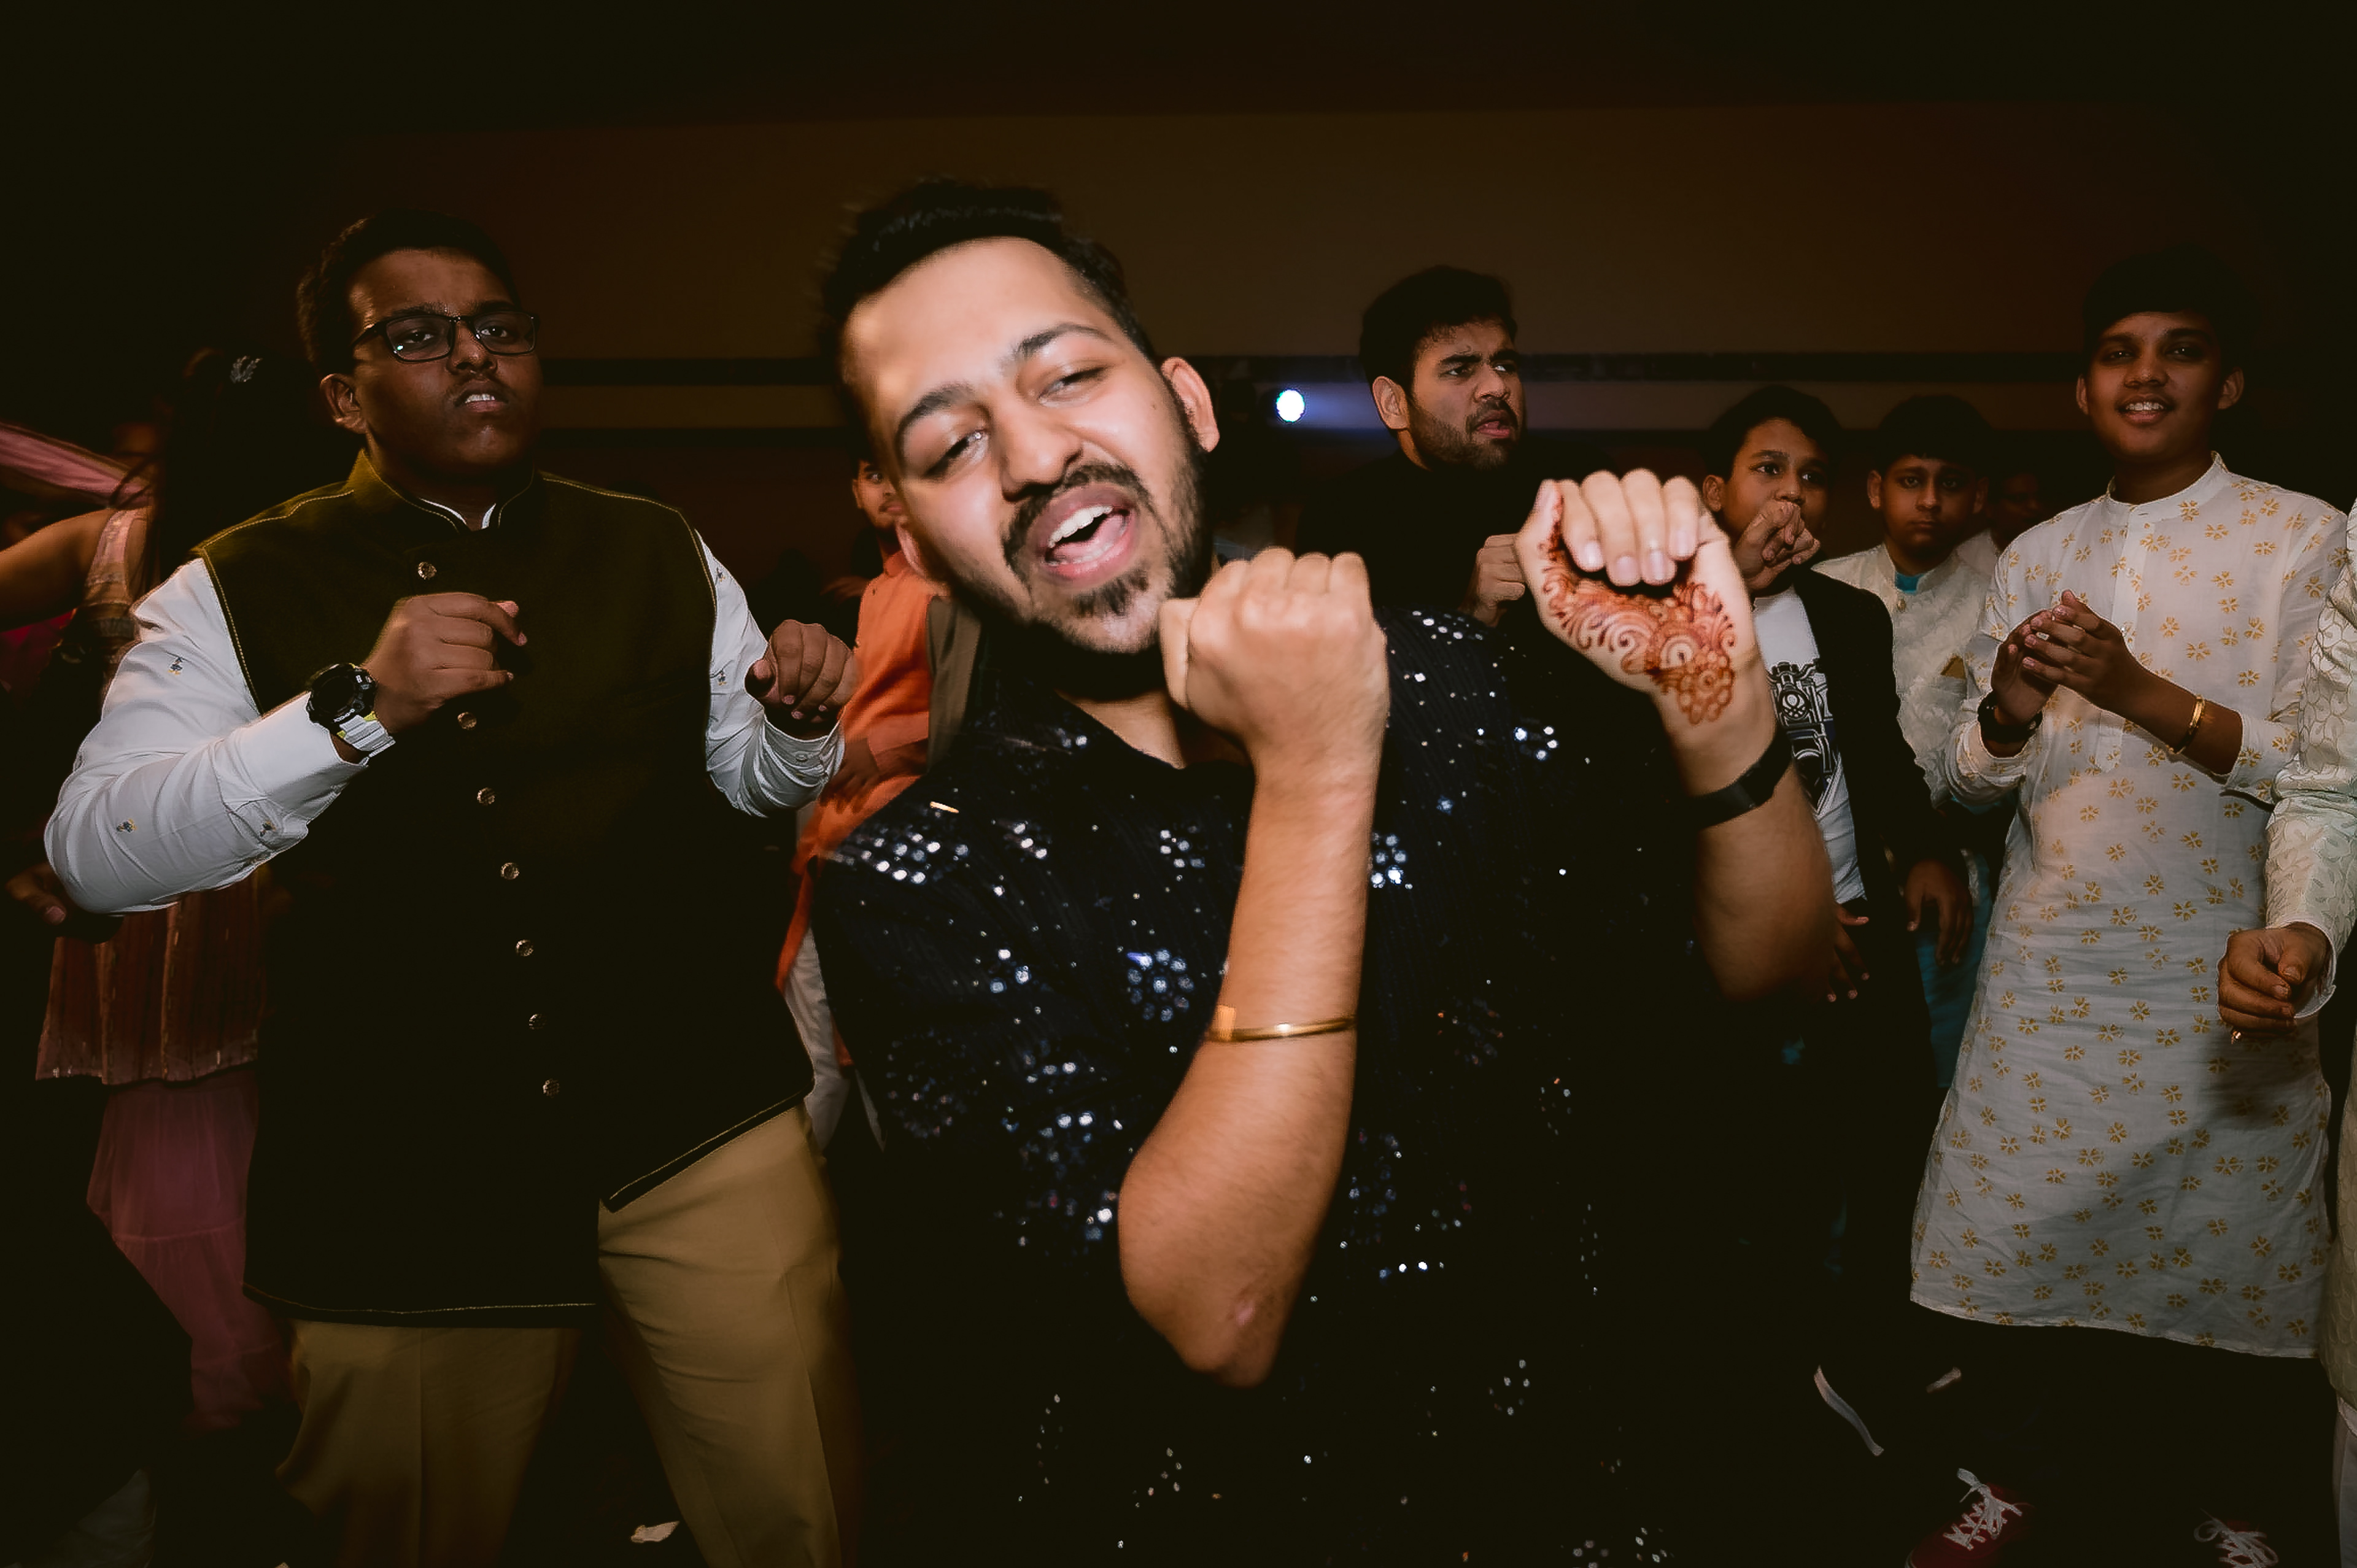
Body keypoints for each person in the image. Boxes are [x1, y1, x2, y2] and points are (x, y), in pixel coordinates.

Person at [803, 178, 1830, 1563]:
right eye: (953, 443)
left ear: (1188, 404)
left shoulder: (1454, 676)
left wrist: (1714, 694)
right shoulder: (917, 879)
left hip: (1584, 1491)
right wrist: (1317, 771)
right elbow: (1218, 1313)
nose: (1038, 453)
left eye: (1070, 376)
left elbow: (1774, 970)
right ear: (911, 530)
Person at [45, 209, 864, 1568]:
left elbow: (748, 784)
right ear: (342, 394)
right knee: (409, 1522)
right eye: (417, 335)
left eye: (498, 326)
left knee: (800, 1500)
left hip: (693, 1112)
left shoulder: (657, 542)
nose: (473, 355)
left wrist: (794, 724)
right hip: (406, 1155)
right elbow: (95, 849)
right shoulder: (229, 586)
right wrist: (355, 708)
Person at [1905, 244, 2340, 1564]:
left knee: (2226, 1250)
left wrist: (2136, 686)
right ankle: (2020, 1475)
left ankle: (2236, 1498)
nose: (2147, 374)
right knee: (2018, 1241)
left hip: (2225, 968)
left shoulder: (2305, 536)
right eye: (2118, 353)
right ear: (2084, 390)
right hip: (2051, 969)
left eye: (2181, 348)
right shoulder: (2039, 550)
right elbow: (1965, 785)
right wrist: (2008, 708)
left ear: (2230, 383)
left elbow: (2321, 772)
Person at [0, 349, 350, 1454]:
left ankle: (175, 1372)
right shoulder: (314, 548)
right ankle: (256, 1365)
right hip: (261, 873)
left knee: (163, 1115)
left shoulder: (112, 547)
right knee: (238, 1115)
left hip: (139, 861)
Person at [1690, 387, 1971, 1518]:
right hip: (1742, 953)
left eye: (1810, 475)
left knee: (1893, 1150)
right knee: (1762, 1186)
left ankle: (1870, 1365)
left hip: (1864, 928)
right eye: (1768, 469)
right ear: (1716, 490)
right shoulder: (1666, 618)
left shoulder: (1850, 616)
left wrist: (1929, 851)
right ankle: (1768, 1400)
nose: (1792, 494)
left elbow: (1880, 762)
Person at [1817, 394, 2007, 1092]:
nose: (1929, 500)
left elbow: (2006, 758)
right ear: (1876, 489)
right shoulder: (1821, 589)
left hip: (1948, 878)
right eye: (1910, 480)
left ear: (1978, 496)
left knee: (1936, 1073)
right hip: (1826, 876)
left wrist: (1939, 849)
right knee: (1825, 1080)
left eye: (1949, 482)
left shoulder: (1999, 604)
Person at [778, 452, 943, 1148]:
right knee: (814, 1054)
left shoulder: (950, 586)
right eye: (873, 474)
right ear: (855, 489)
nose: (887, 488)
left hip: (905, 857)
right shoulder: (878, 589)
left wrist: (889, 748)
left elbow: (989, 705)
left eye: (900, 471)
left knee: (894, 1059)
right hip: (839, 845)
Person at [1295, 265, 1608, 620]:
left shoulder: (1577, 479)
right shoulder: (1342, 517)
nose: (1497, 387)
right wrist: (1471, 616)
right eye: (1460, 370)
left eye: (1505, 366)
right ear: (1394, 403)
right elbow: (1347, 655)